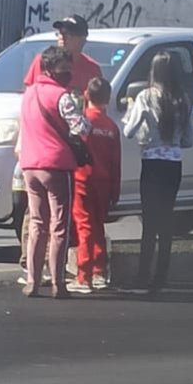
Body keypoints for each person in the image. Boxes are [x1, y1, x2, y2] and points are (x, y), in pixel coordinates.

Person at [18, 13, 103, 276]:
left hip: (69, 149)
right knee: (36, 213)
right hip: (40, 146)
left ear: (83, 39)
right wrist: (20, 140)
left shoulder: (91, 69)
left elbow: (92, 108)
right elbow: (29, 103)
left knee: (62, 212)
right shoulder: (43, 62)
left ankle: (56, 265)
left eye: (69, 33)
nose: (62, 36)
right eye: (60, 32)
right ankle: (31, 263)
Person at [18, 46, 90, 299]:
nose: (68, 74)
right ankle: (58, 283)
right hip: (56, 166)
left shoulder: (28, 95)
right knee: (59, 225)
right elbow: (80, 127)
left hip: (30, 166)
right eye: (65, 70)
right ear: (52, 69)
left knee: (37, 223)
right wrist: (85, 115)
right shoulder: (62, 96)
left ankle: (32, 281)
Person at [122, 50, 193, 292]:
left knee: (149, 222)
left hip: (152, 163)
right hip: (174, 164)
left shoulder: (145, 96)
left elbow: (128, 131)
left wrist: (134, 114)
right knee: (166, 221)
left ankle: (143, 275)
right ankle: (161, 277)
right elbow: (188, 140)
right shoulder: (183, 99)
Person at [68, 77, 121, 294]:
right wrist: (115, 190)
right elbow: (116, 161)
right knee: (98, 225)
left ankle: (84, 275)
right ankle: (99, 271)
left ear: (86, 95)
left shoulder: (83, 123)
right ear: (108, 98)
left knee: (84, 225)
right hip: (105, 182)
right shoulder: (111, 126)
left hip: (83, 180)